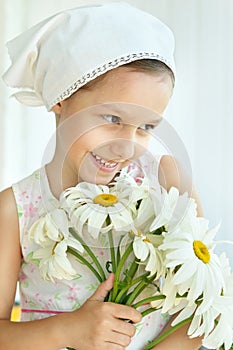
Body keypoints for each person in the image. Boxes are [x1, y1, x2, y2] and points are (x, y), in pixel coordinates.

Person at [0, 2, 203, 349]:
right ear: (60, 98)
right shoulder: (15, 209)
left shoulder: (167, 180)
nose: (126, 147)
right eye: (111, 119)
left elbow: (204, 306)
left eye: (147, 126)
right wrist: (69, 331)